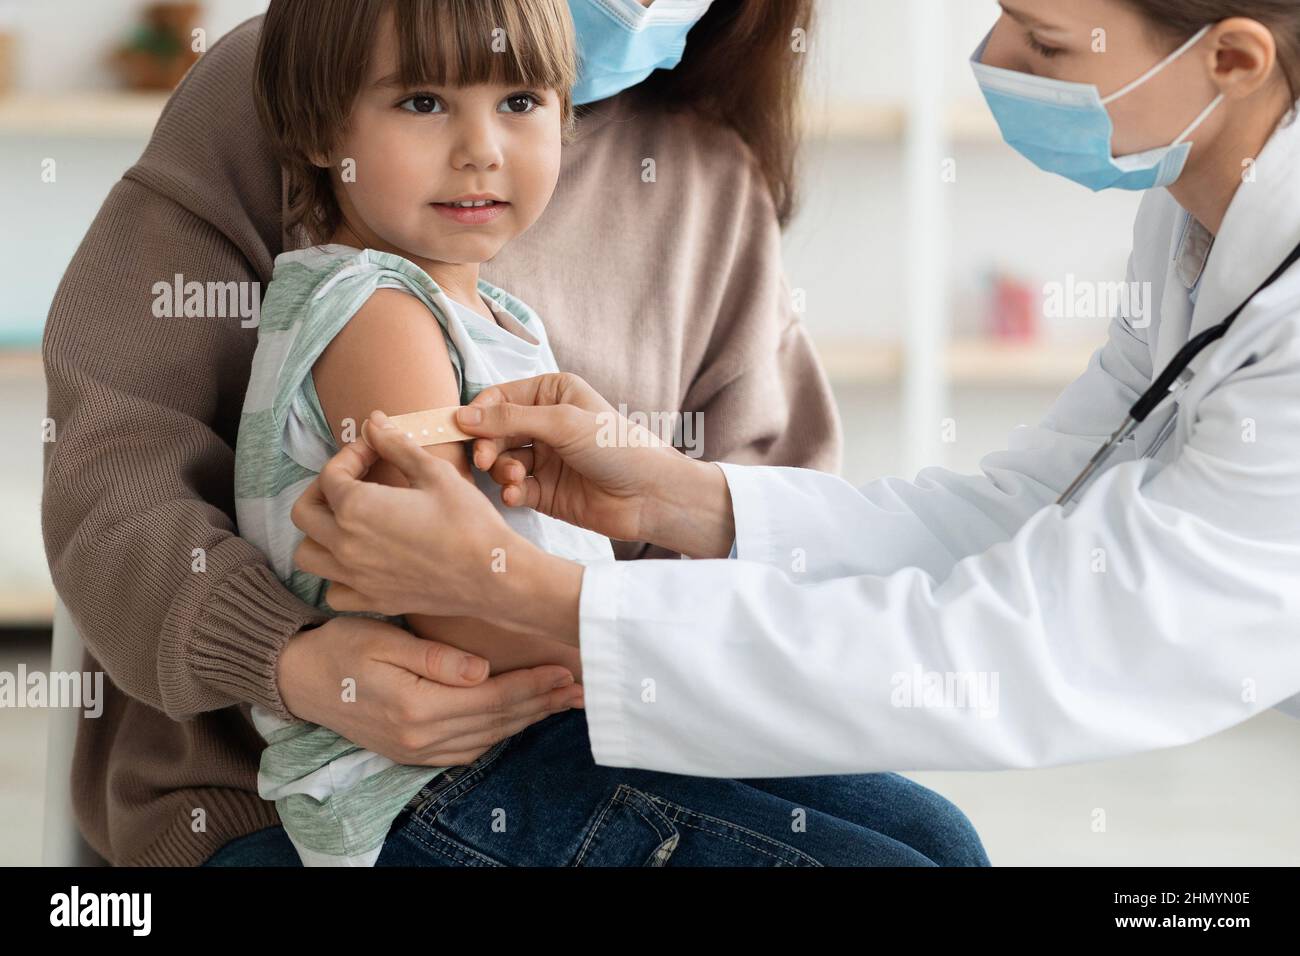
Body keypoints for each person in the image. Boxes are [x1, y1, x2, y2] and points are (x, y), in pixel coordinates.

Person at [42, 0, 989, 866]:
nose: (481, 150)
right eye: (421, 101)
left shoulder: (571, 259)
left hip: (585, 720)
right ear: (325, 129)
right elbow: (440, 592)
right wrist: (291, 660)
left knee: (936, 838)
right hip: (389, 791)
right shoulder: (374, 291)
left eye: (525, 101)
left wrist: (657, 637)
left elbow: (769, 541)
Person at [297, 0, 1300, 783]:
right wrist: (672, 497)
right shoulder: (1194, 232)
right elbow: (1034, 507)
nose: (991, 56)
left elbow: (1043, 642)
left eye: (1044, 45)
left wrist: (523, 588)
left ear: (1232, 62)